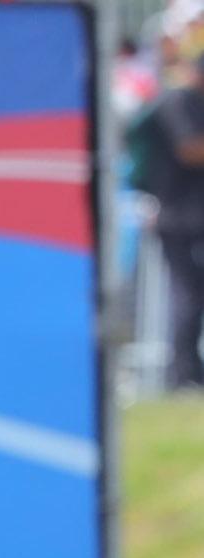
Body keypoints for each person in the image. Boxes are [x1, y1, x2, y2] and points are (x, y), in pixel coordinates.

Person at [144, 50, 204, 390]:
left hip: (194, 216)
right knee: (188, 296)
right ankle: (183, 374)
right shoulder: (177, 101)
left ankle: (191, 371)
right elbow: (189, 149)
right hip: (177, 218)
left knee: (194, 296)